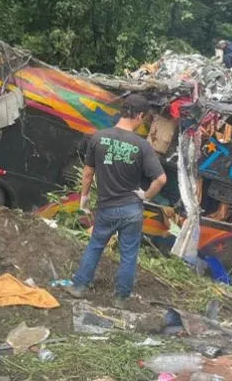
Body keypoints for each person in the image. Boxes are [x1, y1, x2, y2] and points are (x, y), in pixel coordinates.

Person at [66, 94, 167, 309]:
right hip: (132, 209)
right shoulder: (142, 145)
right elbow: (161, 179)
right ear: (139, 116)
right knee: (129, 254)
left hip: (107, 208)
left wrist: (84, 198)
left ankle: (78, 287)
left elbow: (87, 174)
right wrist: (146, 196)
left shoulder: (98, 138)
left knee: (95, 246)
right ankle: (121, 298)